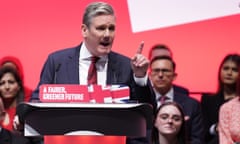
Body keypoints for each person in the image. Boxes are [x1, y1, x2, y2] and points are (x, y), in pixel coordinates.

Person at [29, 1, 149, 144]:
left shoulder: (126, 66)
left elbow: (145, 115)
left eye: (111, 28)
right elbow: (37, 105)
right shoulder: (57, 62)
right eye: (101, 28)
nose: (107, 34)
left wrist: (140, 77)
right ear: (84, 30)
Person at [137, 56, 204, 144]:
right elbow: (134, 139)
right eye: (156, 71)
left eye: (165, 71)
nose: (160, 75)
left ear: (174, 76)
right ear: (150, 75)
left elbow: (197, 139)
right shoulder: (141, 104)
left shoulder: (192, 105)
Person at [201, 53, 240, 144]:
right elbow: (202, 131)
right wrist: (215, 128)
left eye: (234, 70)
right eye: (226, 68)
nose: (229, 73)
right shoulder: (207, 100)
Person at [0, 66, 25, 131]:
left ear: (19, 86)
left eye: (11, 82)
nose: (7, 87)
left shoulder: (26, 113)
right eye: (2, 83)